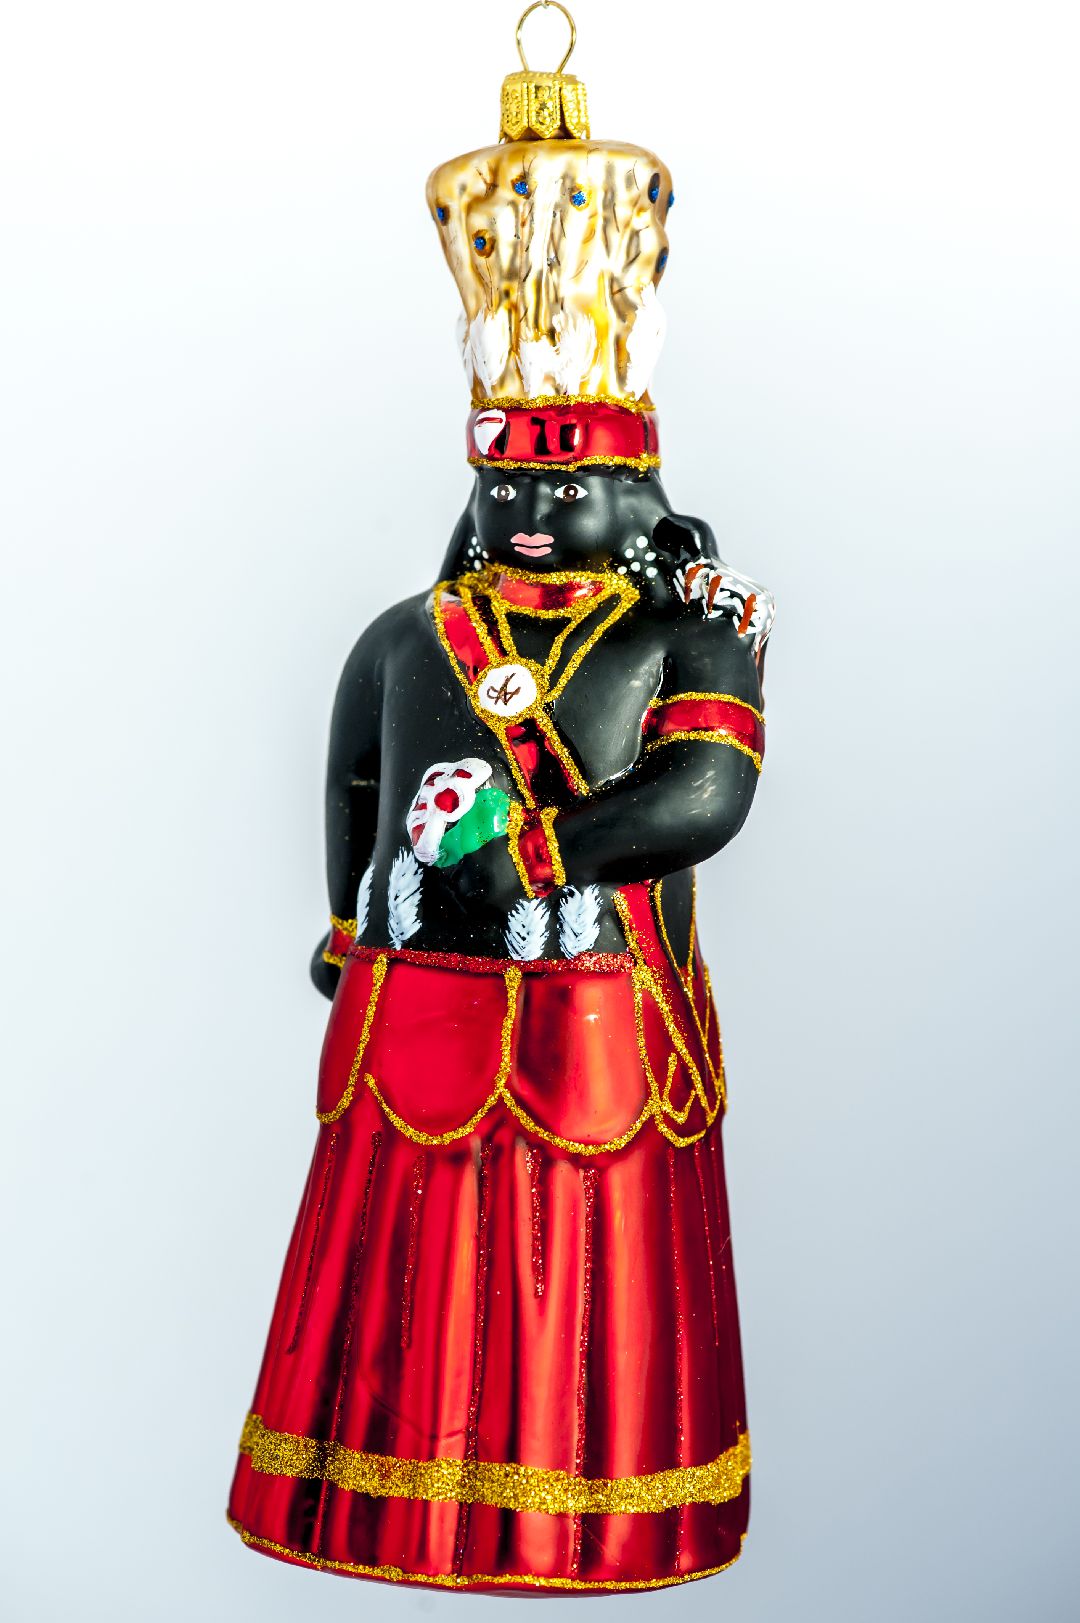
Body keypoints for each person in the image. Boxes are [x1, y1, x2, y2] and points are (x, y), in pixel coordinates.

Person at [228, 64, 773, 1594]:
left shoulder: (691, 635)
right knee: (403, 1280)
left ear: (635, 484)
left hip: (596, 1013)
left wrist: (543, 857)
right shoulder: (408, 634)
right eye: (509, 479)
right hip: (414, 999)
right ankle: (380, 1507)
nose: (534, 510)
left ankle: (589, 1515)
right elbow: (352, 782)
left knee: (580, 1283)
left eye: (572, 480)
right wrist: (344, 916)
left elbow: (705, 796)